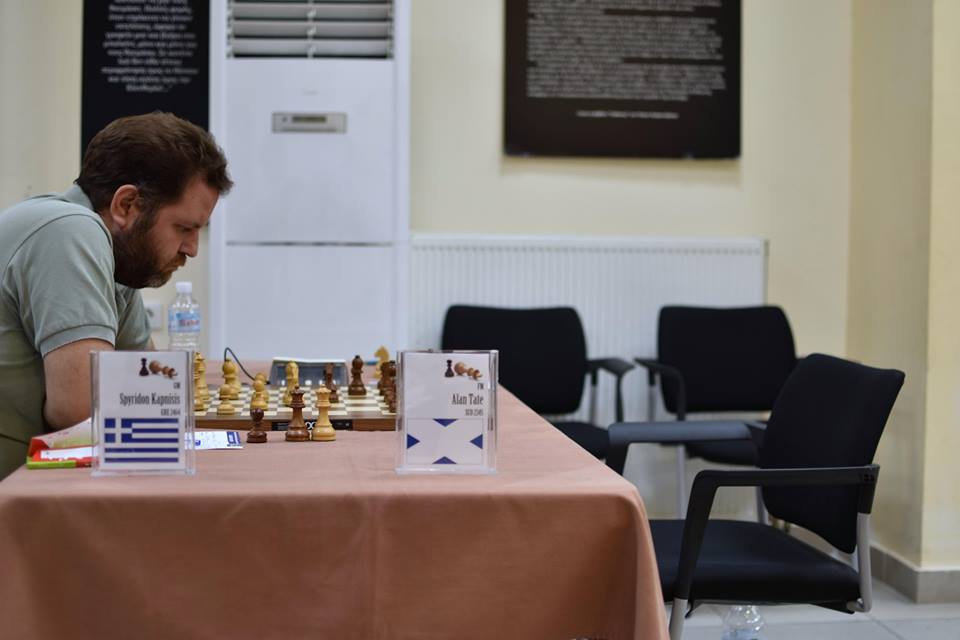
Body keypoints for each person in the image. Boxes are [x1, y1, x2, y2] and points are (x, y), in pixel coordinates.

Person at [0, 112, 232, 479]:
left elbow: (153, 388)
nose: (191, 249)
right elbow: (79, 410)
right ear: (126, 205)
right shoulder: (70, 230)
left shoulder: (115, 257)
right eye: (184, 228)